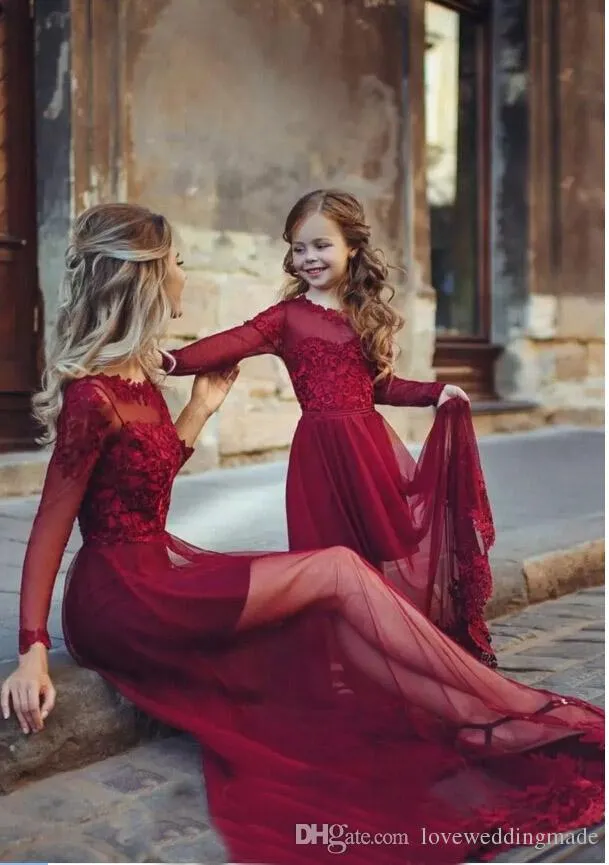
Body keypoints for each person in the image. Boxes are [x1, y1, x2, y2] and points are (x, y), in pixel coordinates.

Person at [1, 203, 603, 865]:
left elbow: (148, 485)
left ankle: (472, 716)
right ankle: (482, 715)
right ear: (143, 278)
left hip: (159, 569)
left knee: (335, 588)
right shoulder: (93, 397)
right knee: (340, 572)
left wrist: (198, 411)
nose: (183, 272)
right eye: (175, 263)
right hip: (119, 600)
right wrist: (32, 646)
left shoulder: (138, 381)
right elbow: (50, 528)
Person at [160, 189, 496, 665]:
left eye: (322, 245)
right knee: (324, 554)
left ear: (352, 248)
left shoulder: (366, 315)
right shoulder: (286, 317)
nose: (309, 258)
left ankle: (379, 652)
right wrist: (170, 360)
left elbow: (380, 387)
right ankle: (335, 658)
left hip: (368, 448)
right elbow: (230, 342)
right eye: (299, 248)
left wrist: (434, 392)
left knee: (371, 553)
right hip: (318, 453)